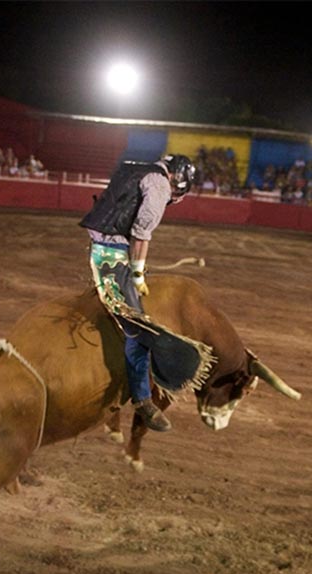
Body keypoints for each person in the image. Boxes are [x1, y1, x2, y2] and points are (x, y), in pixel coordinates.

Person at [79, 154, 198, 432]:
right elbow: (141, 235)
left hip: (105, 243)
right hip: (111, 251)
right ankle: (142, 399)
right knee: (137, 326)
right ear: (177, 180)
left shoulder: (136, 169)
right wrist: (137, 273)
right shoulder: (160, 185)